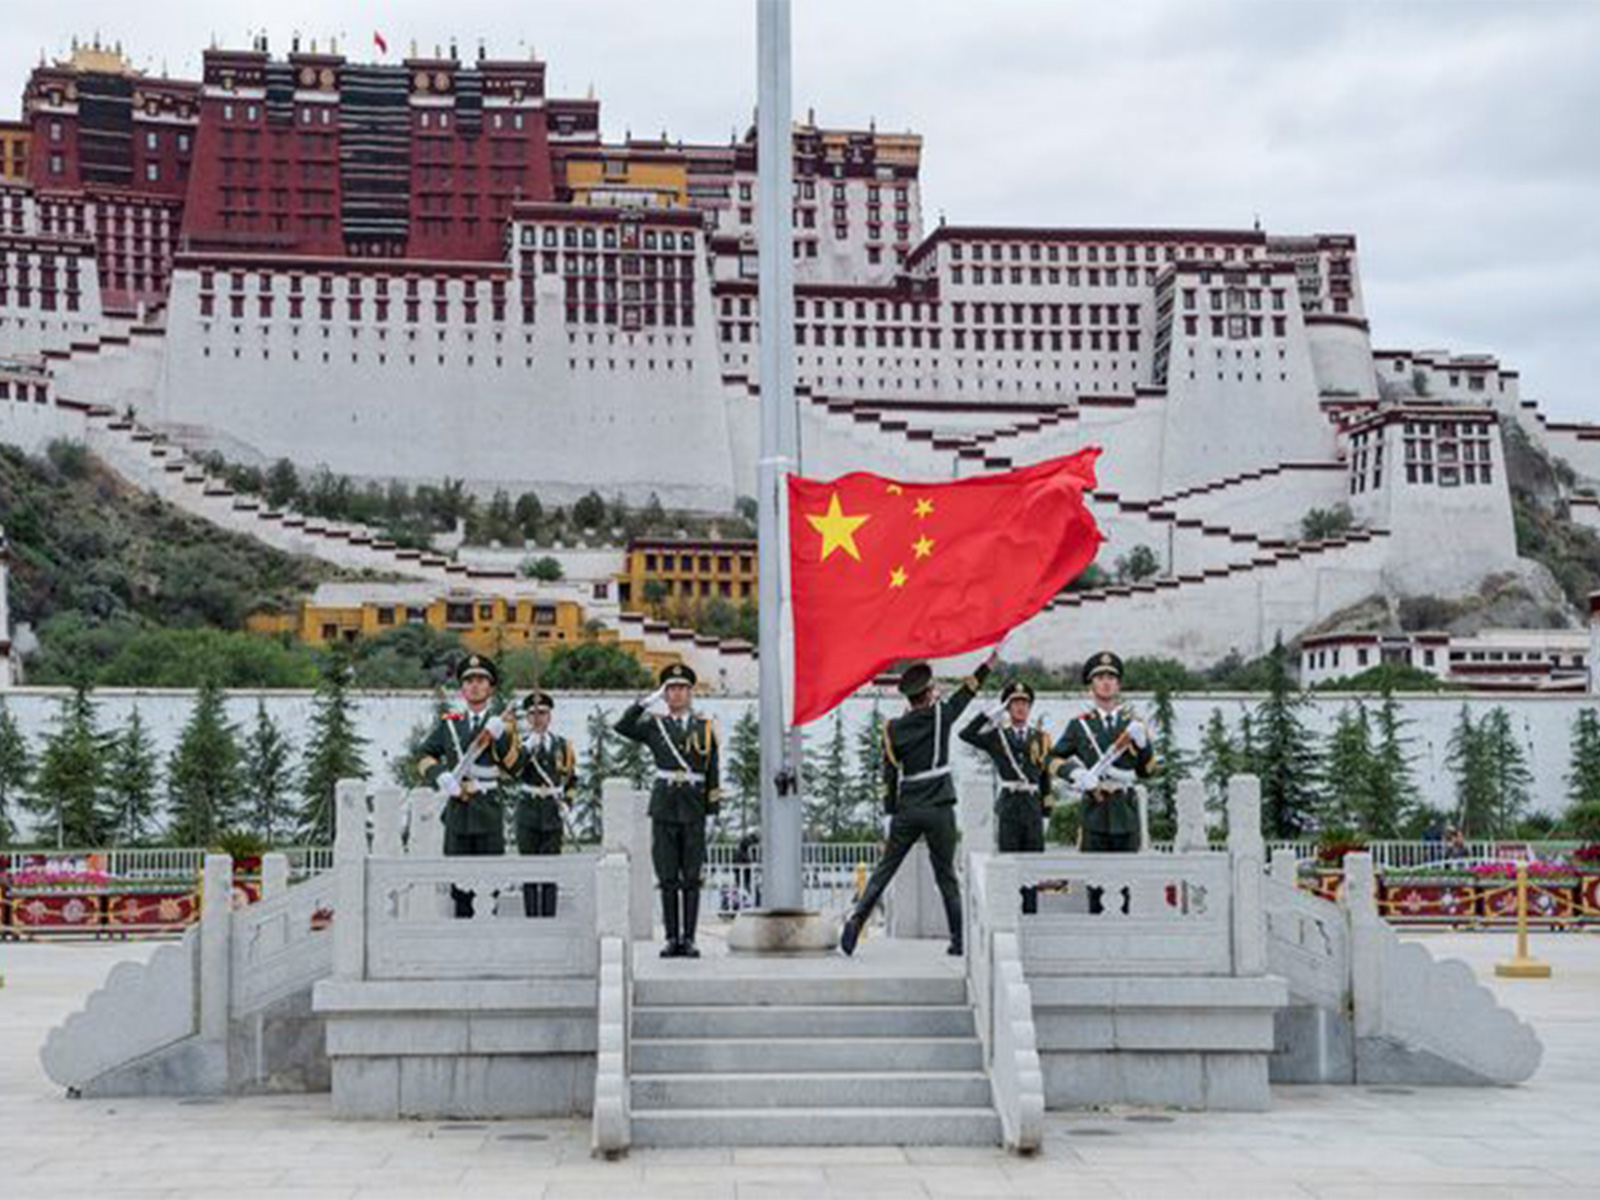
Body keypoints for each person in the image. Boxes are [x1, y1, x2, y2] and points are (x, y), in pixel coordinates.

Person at [839, 646, 999, 958]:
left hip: (907, 807)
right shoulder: (941, 715)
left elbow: (889, 774)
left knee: (884, 870)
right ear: (928, 693)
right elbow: (967, 692)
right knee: (946, 877)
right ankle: (958, 940)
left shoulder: (893, 729)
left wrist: (888, 813)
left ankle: (857, 920)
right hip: (939, 806)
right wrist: (987, 664)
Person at [616, 662, 721, 958]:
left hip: (693, 807)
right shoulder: (655, 725)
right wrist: (645, 703)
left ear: (690, 693)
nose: (676, 694)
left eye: (682, 689)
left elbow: (713, 770)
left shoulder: (705, 727)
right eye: (671, 689)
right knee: (667, 876)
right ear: (665, 694)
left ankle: (689, 938)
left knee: (691, 876)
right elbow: (622, 727)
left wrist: (712, 811)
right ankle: (671, 937)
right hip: (664, 806)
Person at [416, 653, 520, 918]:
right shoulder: (450, 723)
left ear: (491, 688)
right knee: (458, 884)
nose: (475, 685)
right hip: (457, 810)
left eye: (481, 680)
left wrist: (501, 737)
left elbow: (515, 767)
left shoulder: (502, 725)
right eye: (469, 680)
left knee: (490, 881)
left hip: (488, 810)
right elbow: (423, 756)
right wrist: (441, 776)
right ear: (462, 689)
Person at [960, 679, 1052, 913]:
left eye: (1024, 703)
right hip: (1010, 804)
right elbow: (966, 734)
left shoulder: (1041, 738)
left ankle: (1031, 917)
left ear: (1030, 707)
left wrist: (1047, 812)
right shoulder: (997, 736)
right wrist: (990, 715)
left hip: (1032, 805)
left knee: (1033, 869)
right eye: (1014, 703)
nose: (1020, 707)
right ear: (1007, 708)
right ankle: (1009, 917)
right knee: (1008, 864)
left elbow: (1045, 777)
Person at [1052, 651, 1157, 856]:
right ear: (1091, 686)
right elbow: (1051, 758)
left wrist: (1144, 745)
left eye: (1111, 678)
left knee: (1126, 882)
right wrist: (1075, 773)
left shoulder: (1132, 724)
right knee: (1094, 882)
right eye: (1100, 678)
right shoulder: (1080, 725)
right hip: (1094, 812)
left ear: (1118, 685)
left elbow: (1147, 772)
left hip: (1126, 812)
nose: (1106, 683)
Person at [514, 689, 577, 917]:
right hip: (528, 812)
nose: (538, 718)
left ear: (550, 716)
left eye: (543, 713)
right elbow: (512, 771)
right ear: (527, 718)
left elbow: (571, 779)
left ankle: (550, 919)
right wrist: (528, 746)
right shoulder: (520, 746)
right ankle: (532, 920)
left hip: (552, 812)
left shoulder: (563, 746)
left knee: (552, 870)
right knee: (529, 871)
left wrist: (568, 804)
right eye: (533, 714)